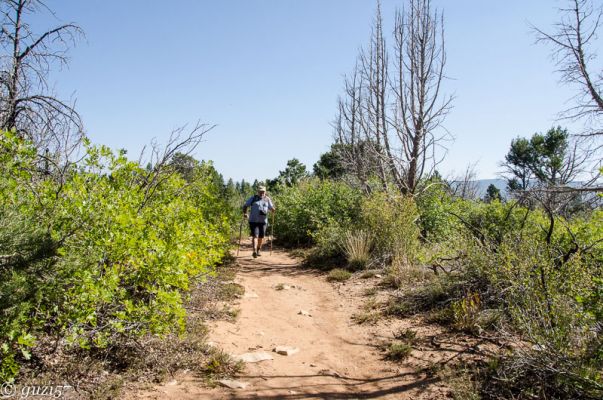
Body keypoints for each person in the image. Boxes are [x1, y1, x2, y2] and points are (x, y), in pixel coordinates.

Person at [242, 186, 276, 258]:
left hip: (263, 221)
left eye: (263, 191)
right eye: (260, 191)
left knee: (261, 237)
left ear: (265, 192)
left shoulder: (267, 199)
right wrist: (245, 213)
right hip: (253, 220)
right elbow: (245, 205)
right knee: (255, 236)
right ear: (258, 192)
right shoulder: (253, 198)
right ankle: (254, 251)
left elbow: (271, 208)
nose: (262, 193)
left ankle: (258, 249)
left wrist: (273, 209)